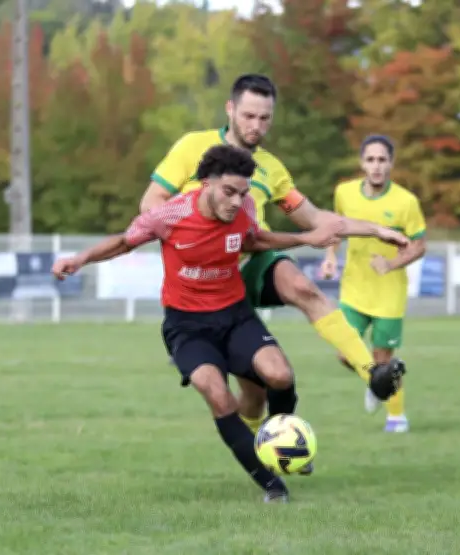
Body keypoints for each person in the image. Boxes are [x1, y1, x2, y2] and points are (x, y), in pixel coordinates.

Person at [53, 145, 405, 502]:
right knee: (218, 395)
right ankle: (271, 485)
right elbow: (123, 243)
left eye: (243, 192)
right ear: (206, 183)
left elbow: (255, 240)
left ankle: (282, 444)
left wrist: (305, 239)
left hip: (235, 315)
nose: (237, 201)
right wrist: (80, 258)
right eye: (229, 192)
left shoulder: (244, 209)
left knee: (280, 375)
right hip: (187, 326)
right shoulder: (170, 215)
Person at [139, 73, 408, 438]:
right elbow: (151, 202)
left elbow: (315, 220)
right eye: (249, 116)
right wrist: (192, 237)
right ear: (230, 109)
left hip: (253, 260)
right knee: (254, 394)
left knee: (303, 287)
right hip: (208, 284)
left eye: (265, 118)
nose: (256, 126)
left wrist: (376, 229)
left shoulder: (272, 168)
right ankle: (257, 451)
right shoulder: (192, 147)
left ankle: (371, 373)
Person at [321, 135, 427, 433]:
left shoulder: (406, 202)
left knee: (383, 359)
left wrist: (391, 264)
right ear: (361, 163)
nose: (376, 166)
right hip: (354, 290)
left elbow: (419, 246)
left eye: (382, 160)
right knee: (345, 352)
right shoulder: (344, 193)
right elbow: (337, 229)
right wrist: (330, 256)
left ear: (391, 163)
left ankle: (396, 418)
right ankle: (375, 382)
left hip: (389, 295)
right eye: (370, 160)